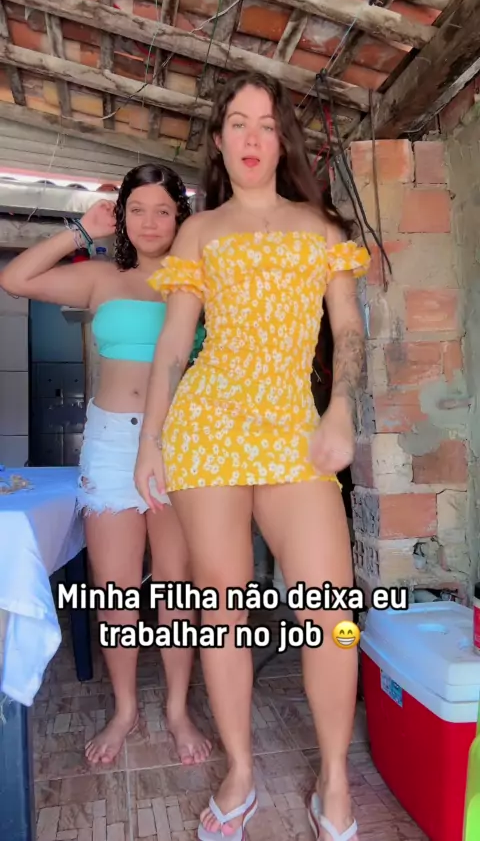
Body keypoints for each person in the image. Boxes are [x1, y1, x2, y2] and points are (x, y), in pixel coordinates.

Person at [134, 73, 369, 841]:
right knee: (223, 608)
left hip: (293, 432)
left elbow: (349, 330)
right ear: (219, 139)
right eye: (238, 122)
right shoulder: (199, 233)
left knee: (331, 611)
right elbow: (175, 344)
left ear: (281, 140)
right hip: (206, 431)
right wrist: (150, 440)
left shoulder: (321, 228)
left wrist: (341, 409)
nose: (252, 137)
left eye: (266, 124)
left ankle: (334, 781)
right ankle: (239, 771)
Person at [0, 164, 212, 768]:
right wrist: (80, 230)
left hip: (181, 444)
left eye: (163, 210)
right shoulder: (101, 277)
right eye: (136, 209)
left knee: (174, 585)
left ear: (180, 218)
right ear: (121, 218)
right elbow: (15, 278)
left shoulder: (200, 281)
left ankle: (177, 708)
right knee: (114, 588)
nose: (150, 221)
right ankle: (124, 708)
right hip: (112, 442)